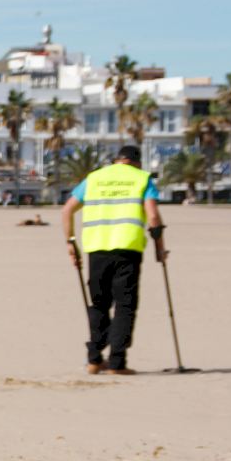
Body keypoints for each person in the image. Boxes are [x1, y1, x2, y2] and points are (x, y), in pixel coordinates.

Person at [62, 145, 166, 375]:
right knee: (125, 305)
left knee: (99, 303)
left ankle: (94, 359)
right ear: (137, 162)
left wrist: (71, 243)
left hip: (96, 248)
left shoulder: (94, 178)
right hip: (127, 248)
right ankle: (117, 362)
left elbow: (67, 210)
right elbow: (153, 217)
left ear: (116, 160)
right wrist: (160, 249)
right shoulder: (142, 179)